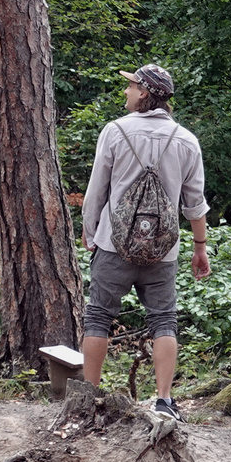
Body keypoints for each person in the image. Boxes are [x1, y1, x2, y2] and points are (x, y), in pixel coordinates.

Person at [79, 63, 210, 420]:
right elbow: (194, 203)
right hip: (162, 251)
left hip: (113, 244)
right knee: (163, 319)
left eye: (132, 86)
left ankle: (88, 399)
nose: (126, 91)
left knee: (98, 317)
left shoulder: (115, 131)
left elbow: (97, 192)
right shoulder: (186, 140)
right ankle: (164, 401)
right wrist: (200, 246)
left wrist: (91, 231)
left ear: (145, 92)